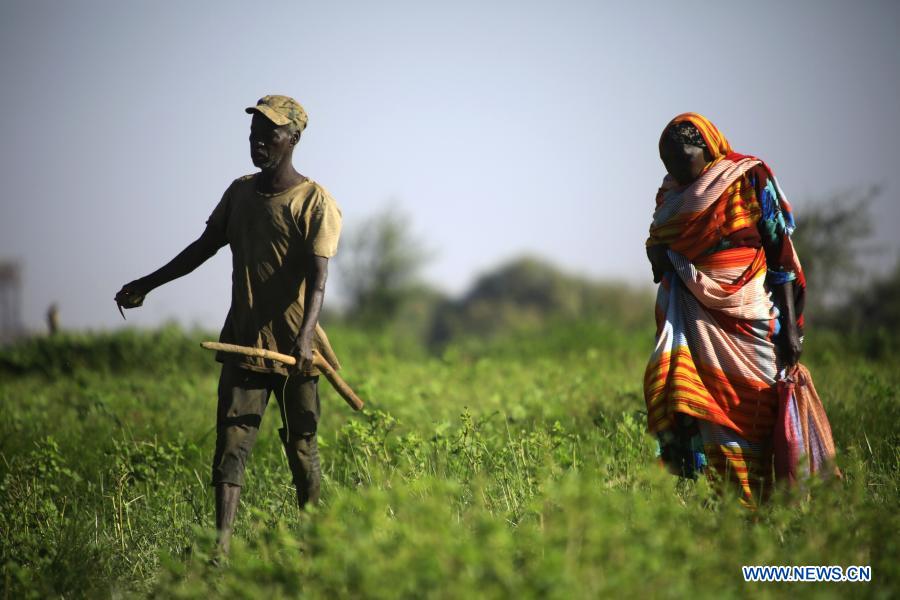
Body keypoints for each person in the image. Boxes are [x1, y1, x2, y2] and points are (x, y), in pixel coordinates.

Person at [114, 95, 343, 551]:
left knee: (302, 448)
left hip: (297, 349)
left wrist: (302, 341)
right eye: (254, 132)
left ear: (293, 139)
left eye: (270, 133)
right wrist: (147, 282)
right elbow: (202, 248)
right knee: (232, 446)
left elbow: (319, 281)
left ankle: (316, 545)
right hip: (245, 342)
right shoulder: (239, 194)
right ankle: (219, 553)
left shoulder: (315, 202)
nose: (259, 141)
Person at [644, 112, 805, 508]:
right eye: (668, 162)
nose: (677, 169)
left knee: (765, 406)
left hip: (750, 313)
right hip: (696, 319)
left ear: (708, 148)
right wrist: (664, 256)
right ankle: (734, 511)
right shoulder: (669, 196)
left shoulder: (748, 178)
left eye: (684, 159)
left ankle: (779, 507)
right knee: (707, 409)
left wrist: (790, 328)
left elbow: (779, 254)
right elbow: (656, 254)